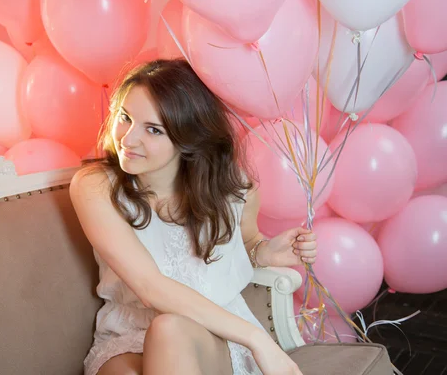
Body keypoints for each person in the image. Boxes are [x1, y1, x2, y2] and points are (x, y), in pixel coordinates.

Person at [69, 59, 317, 375]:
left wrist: (263, 251)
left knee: (170, 330)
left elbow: (245, 241)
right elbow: (149, 286)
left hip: (210, 334)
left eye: (153, 129)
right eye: (125, 118)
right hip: (128, 335)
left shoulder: (234, 190)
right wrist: (259, 340)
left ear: (188, 138)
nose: (128, 140)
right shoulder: (96, 187)